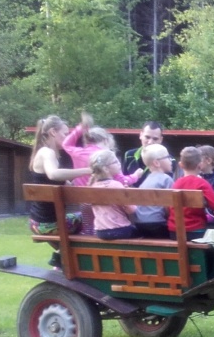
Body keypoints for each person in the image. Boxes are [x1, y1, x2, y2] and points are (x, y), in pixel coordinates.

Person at [62, 112, 142, 234]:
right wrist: (135, 176)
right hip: (105, 202)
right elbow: (121, 180)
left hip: (84, 199)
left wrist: (81, 128)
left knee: (89, 227)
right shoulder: (107, 158)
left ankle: (89, 242)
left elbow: (65, 144)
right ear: (106, 140)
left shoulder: (78, 152)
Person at [27, 116, 91, 266]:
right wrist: (88, 170)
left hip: (39, 221)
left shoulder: (47, 154)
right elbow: (54, 174)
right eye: (65, 134)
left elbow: (69, 185)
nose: (67, 138)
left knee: (84, 216)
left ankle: (62, 256)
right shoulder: (46, 152)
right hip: (49, 224)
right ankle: (71, 259)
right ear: (53, 132)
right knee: (92, 217)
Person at [168, 146, 214, 240]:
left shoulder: (176, 183)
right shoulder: (202, 183)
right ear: (199, 165)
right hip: (196, 231)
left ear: (181, 165)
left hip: (174, 231)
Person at [88, 150, 139, 240]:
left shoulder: (92, 186)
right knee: (142, 231)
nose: (119, 163)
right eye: (115, 162)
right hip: (120, 230)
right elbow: (131, 210)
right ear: (105, 169)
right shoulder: (116, 185)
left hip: (101, 232)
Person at [133, 143, 174, 239]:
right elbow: (169, 207)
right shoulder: (166, 179)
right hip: (158, 224)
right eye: (168, 157)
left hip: (140, 225)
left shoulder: (145, 181)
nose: (171, 160)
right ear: (156, 163)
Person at [123, 121, 169, 186]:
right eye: (147, 137)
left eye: (155, 139)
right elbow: (124, 182)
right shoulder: (129, 155)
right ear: (140, 135)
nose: (150, 142)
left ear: (161, 140)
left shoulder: (168, 160)